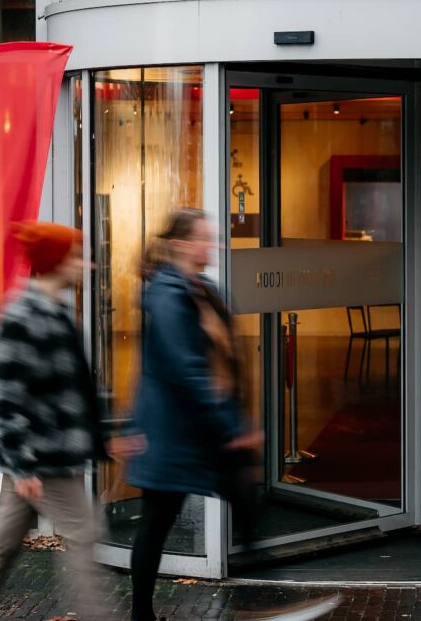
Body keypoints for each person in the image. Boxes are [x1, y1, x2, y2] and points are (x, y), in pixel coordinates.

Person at [0, 221, 125, 621]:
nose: (85, 265)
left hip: (41, 457)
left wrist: (101, 438)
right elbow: (6, 399)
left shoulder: (52, 313)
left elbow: (71, 392)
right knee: (85, 534)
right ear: (56, 262)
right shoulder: (21, 317)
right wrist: (21, 464)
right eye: (76, 256)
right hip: (43, 459)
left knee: (3, 545)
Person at [125, 208, 259, 621]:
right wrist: (231, 425)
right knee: (158, 522)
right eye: (205, 238)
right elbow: (187, 368)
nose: (213, 244)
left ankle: (258, 597)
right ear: (183, 244)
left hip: (195, 427)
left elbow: (223, 354)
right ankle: (142, 615)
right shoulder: (169, 294)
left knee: (244, 502)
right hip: (177, 431)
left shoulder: (200, 288)